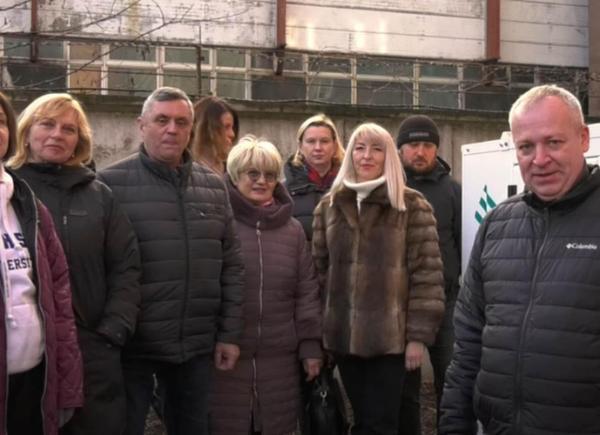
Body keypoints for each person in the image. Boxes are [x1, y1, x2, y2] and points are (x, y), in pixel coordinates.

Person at [439, 84, 600, 434]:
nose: (539, 159)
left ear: (584, 139)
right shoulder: (497, 224)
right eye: (526, 146)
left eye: (553, 142)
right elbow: (467, 342)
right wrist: (453, 425)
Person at [98, 86, 245, 435]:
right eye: (161, 120)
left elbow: (232, 265)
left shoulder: (214, 186)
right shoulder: (107, 185)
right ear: (141, 125)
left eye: (181, 122)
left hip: (194, 346)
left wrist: (229, 334)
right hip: (132, 347)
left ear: (191, 129)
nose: (172, 129)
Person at [9, 93, 141, 435]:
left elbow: (126, 266)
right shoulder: (10, 192)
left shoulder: (99, 195)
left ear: (79, 141)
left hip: (94, 347)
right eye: (47, 124)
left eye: (69, 129)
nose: (57, 134)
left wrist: (113, 330)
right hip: (31, 353)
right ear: (25, 132)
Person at [312, 122, 445, 435]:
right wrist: (321, 333)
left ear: (389, 156)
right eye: (359, 148)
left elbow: (427, 275)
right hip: (344, 338)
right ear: (350, 155)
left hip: (391, 342)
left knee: (381, 424)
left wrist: (417, 337)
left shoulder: (411, 205)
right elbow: (318, 274)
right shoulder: (329, 206)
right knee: (362, 420)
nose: (366, 156)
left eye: (376, 148)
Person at [210, 135, 323, 435]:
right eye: (252, 173)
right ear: (235, 176)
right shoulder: (218, 222)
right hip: (226, 360)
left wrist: (311, 345)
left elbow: (306, 290)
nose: (261, 181)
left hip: (280, 362)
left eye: (270, 175)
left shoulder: (293, 230)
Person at [0, 92, 83, 434]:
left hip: (34, 378)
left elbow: (58, 301)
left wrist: (66, 384)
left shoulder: (27, 204)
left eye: (1, 121)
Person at [395, 115, 461, 434]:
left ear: (436, 149)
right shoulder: (388, 189)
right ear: (400, 149)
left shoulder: (453, 191)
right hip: (400, 307)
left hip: (446, 306)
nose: (420, 152)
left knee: (451, 383)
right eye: (413, 145)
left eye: (427, 145)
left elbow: (463, 243)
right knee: (403, 390)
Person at [284, 114, 345, 240]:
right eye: (311, 141)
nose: (318, 148)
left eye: (324, 141)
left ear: (334, 146)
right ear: (300, 146)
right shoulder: (283, 191)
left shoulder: (348, 188)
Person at [192, 96, 239, 175]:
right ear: (207, 130)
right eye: (226, 127)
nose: (232, 134)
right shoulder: (184, 169)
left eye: (232, 128)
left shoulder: (234, 171)